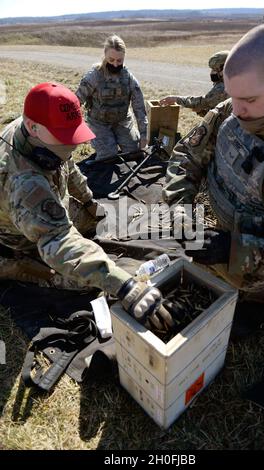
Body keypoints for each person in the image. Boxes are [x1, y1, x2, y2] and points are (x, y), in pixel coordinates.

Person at [162, 23, 264, 338]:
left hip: (259, 266)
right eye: (232, 96)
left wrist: (237, 251)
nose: (236, 110)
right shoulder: (231, 110)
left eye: (249, 100)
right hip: (217, 236)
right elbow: (186, 156)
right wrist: (180, 209)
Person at [0, 82, 165, 327]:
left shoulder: (34, 134)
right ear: (32, 127)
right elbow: (57, 240)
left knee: (105, 224)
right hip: (24, 239)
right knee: (79, 282)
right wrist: (124, 284)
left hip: (51, 207)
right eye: (64, 138)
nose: (73, 146)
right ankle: (13, 265)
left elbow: (68, 167)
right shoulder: (24, 184)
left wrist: (88, 202)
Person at [76, 34, 148, 163]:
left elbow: (139, 109)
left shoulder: (128, 78)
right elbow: (76, 102)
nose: (115, 64)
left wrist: (143, 136)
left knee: (134, 153)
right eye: (111, 60)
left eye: (119, 61)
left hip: (123, 121)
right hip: (99, 123)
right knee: (108, 157)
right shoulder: (94, 76)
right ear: (105, 55)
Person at [159, 51, 229, 116]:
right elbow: (213, 108)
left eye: (215, 69)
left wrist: (176, 99)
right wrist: (201, 111)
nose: (212, 73)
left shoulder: (224, 87)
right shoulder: (231, 80)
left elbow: (203, 102)